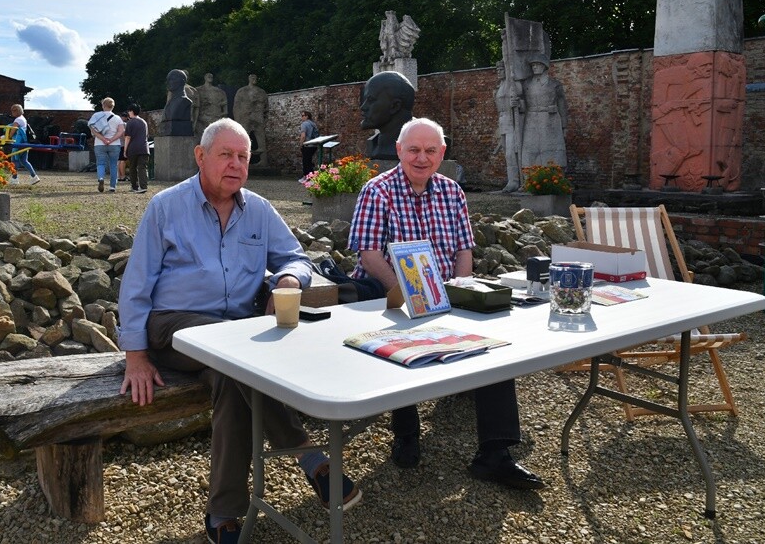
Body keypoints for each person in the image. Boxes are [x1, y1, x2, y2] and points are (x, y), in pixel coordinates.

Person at [119, 118, 361, 542]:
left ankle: (224, 514)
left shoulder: (260, 209)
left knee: (233, 380)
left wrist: (287, 280)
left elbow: (296, 257)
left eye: (243, 157)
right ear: (200, 157)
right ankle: (312, 460)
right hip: (174, 326)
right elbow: (136, 282)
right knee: (237, 362)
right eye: (225, 155)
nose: (235, 164)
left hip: (234, 336)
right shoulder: (166, 207)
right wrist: (135, 355)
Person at [347, 117, 544, 490]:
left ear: (442, 153)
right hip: (388, 294)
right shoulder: (378, 190)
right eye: (414, 150)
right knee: (400, 332)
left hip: (443, 291)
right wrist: (406, 295)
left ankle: (495, 452)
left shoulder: (452, 191)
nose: (422, 158)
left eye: (430, 151)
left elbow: (462, 250)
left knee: (493, 341)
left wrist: (462, 290)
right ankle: (406, 430)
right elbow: (370, 255)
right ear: (399, 151)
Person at [519, 57, 567, 171]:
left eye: (537, 65)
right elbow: (523, 106)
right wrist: (517, 103)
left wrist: (564, 125)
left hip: (550, 119)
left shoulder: (554, 84)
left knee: (551, 147)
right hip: (531, 119)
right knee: (531, 147)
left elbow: (562, 104)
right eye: (533, 65)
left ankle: (554, 175)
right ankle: (529, 176)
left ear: (544, 66)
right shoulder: (526, 84)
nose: (534, 67)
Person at [359, 71, 414, 160]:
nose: (363, 107)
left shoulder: (431, 142)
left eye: (371, 100)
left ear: (395, 106)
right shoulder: (373, 144)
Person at [493, 62, 524, 192]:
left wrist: (517, 103)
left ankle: (515, 181)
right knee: (507, 154)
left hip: (513, 121)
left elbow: (523, 105)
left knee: (512, 153)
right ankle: (511, 179)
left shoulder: (514, 85)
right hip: (503, 121)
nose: (499, 72)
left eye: (501, 69)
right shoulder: (499, 87)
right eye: (497, 70)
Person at [89, 97, 126, 193]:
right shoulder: (117, 118)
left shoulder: (96, 116)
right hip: (114, 144)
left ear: (103, 105)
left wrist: (103, 139)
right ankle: (112, 186)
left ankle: (101, 178)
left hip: (99, 144)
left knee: (100, 163)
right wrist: (111, 139)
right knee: (113, 165)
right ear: (113, 106)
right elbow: (121, 131)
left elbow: (93, 130)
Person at [232, 74, 269, 167]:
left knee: (261, 139)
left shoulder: (261, 92)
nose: (254, 79)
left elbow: (266, 108)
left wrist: (265, 120)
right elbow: (236, 106)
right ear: (249, 79)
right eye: (252, 78)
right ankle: (240, 160)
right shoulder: (242, 91)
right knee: (243, 139)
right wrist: (237, 119)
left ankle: (263, 161)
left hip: (258, 118)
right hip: (245, 117)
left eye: (255, 78)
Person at [8, 104, 39, 185]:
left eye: (13, 110)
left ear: (17, 111)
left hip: (18, 143)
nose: (12, 112)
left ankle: (14, 179)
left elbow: (12, 133)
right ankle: (34, 176)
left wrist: (7, 136)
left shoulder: (17, 120)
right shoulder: (23, 119)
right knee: (24, 161)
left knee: (14, 160)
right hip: (24, 142)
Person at [124, 103, 150, 194]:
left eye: (129, 111)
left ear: (131, 111)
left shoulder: (130, 123)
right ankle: (144, 186)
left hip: (133, 148)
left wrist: (125, 150)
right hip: (144, 147)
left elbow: (128, 138)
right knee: (142, 167)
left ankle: (134, 186)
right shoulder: (144, 122)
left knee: (132, 168)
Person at [299, 110, 319, 181]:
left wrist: (301, 144)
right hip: (314, 145)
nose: (302, 117)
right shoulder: (313, 124)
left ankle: (307, 177)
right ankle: (311, 177)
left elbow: (303, 136)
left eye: (303, 116)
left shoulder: (304, 124)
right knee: (309, 162)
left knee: (306, 162)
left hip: (307, 145)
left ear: (307, 116)